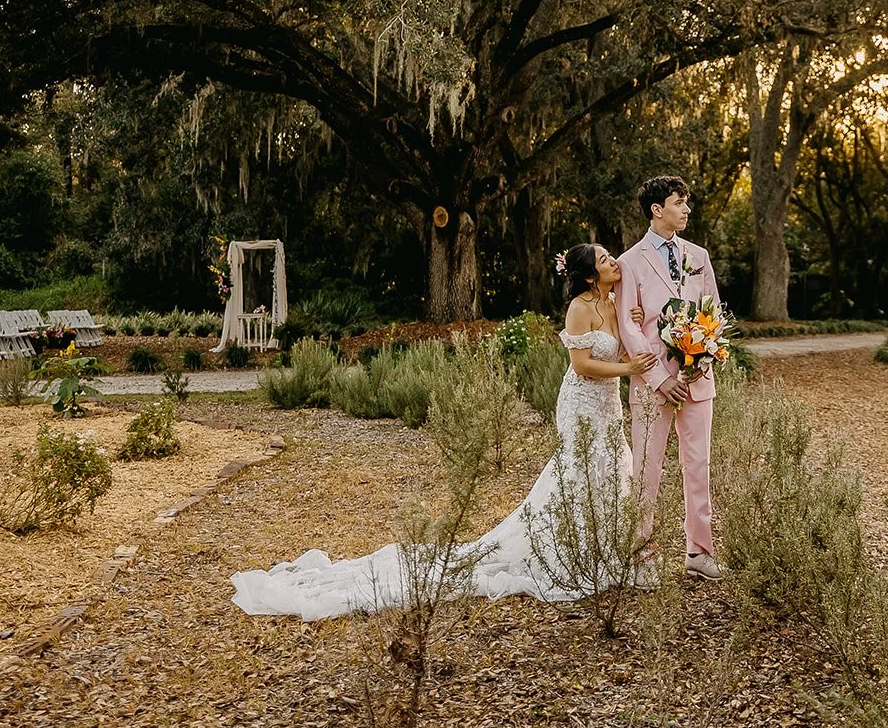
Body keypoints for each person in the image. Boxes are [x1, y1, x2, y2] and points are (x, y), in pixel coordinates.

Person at [229, 244, 656, 620]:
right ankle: (567, 550)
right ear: (587, 274)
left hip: (608, 403)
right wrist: (628, 368)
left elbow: (620, 342)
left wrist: (631, 324)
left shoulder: (614, 302)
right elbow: (583, 366)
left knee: (611, 466)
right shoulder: (579, 308)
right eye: (604, 259)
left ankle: (603, 548)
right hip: (581, 401)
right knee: (581, 469)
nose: (614, 261)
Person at [615, 174, 724, 583]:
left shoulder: (698, 255)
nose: (687, 209)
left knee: (699, 464)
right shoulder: (630, 261)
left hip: (698, 377)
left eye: (687, 202)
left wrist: (700, 360)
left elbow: (713, 312)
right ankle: (641, 554)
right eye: (680, 202)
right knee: (648, 468)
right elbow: (628, 325)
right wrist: (661, 378)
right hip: (651, 382)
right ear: (657, 209)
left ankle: (699, 550)